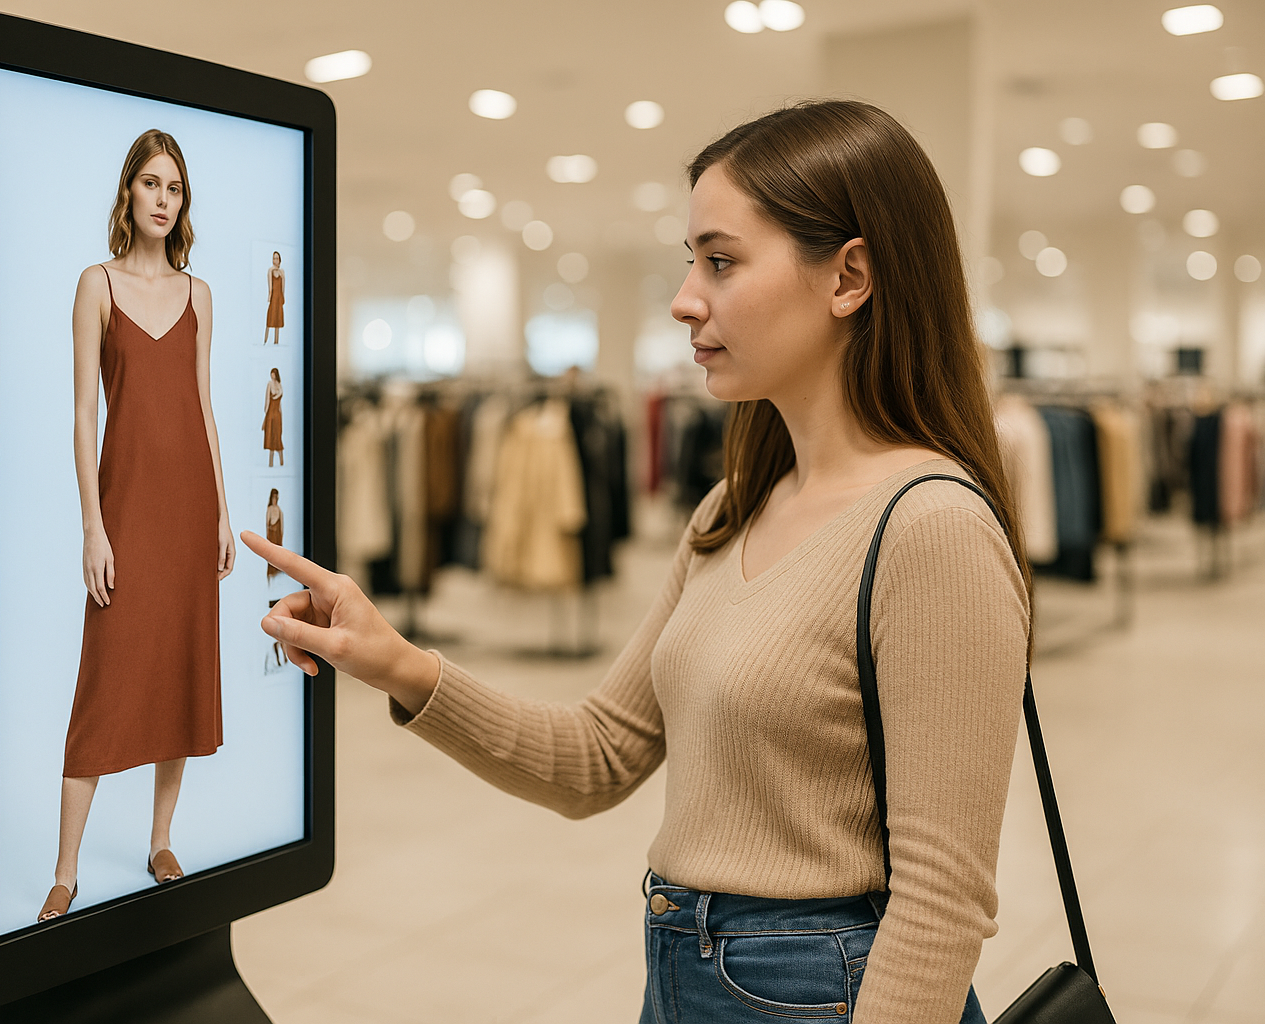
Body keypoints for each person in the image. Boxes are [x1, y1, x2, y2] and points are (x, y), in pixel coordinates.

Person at [241, 100, 1031, 1024]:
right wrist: (395, 660)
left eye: (721, 260)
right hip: (684, 972)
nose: (685, 297)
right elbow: (598, 756)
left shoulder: (932, 527)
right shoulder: (734, 507)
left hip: (821, 994)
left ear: (849, 276)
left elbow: (941, 906)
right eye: (690, 260)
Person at [39, 128, 236, 923]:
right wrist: (93, 526)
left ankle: (160, 839)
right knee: (108, 677)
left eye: (175, 189)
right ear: (128, 193)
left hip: (189, 511)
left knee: (179, 672)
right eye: (151, 184)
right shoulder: (95, 285)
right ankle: (64, 870)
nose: (163, 199)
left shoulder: (201, 294)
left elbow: (204, 410)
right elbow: (85, 415)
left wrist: (222, 511)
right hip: (124, 509)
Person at [263, 250, 284, 344]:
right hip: (273, 297)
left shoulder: (282, 272)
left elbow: (283, 286)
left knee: (278, 318)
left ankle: (276, 341)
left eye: (277, 258)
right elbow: (270, 286)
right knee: (270, 317)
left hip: (279, 297)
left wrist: (283, 297)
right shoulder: (270, 270)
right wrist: (270, 296)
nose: (275, 260)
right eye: (274, 258)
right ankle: (265, 340)